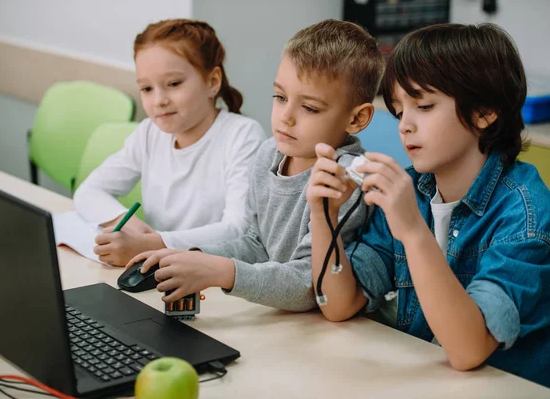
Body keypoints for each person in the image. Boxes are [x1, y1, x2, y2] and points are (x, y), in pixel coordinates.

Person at [307, 23, 550, 393]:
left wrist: (413, 231)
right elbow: (339, 303)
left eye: (424, 106)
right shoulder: (414, 188)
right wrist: (324, 216)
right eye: (399, 111)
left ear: (484, 112)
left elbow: (467, 349)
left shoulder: (525, 214)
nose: (405, 126)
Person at [126, 19, 385, 312]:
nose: (285, 117)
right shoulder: (269, 153)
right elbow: (256, 243)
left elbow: (310, 283)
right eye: (280, 97)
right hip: (284, 320)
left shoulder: (346, 180)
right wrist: (188, 256)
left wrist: (222, 272)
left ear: (357, 119)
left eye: (309, 108)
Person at [73, 19, 265, 266]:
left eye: (174, 84)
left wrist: (153, 243)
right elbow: (88, 192)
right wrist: (135, 229)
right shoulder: (149, 133)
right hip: (161, 272)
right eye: (147, 88)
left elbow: (238, 230)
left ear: (212, 81)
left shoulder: (243, 136)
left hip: (217, 279)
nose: (158, 100)